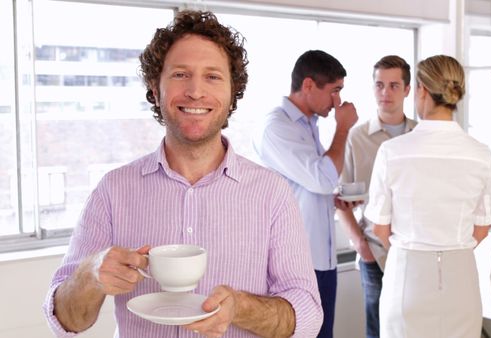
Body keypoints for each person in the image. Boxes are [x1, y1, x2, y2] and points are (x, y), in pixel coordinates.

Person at [42, 10, 322, 338]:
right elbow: (65, 321)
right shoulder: (113, 190)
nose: (195, 91)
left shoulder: (271, 192)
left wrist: (239, 307)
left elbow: (307, 317)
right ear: (154, 86)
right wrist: (90, 274)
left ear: (233, 91)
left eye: (213, 77)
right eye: (180, 75)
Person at [364, 55, 491, 338]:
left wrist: (413, 252)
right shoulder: (480, 154)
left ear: (421, 90)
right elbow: (483, 227)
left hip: (407, 276)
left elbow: (379, 226)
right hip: (461, 276)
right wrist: (449, 246)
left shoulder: (393, 152)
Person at [253, 50, 358, 338]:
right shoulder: (276, 127)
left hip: (323, 261)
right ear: (309, 85)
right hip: (297, 266)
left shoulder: (309, 125)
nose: (338, 101)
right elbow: (322, 178)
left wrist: (333, 200)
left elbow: (313, 186)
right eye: (334, 91)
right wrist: (343, 128)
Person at [335, 55, 417, 338]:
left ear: (407, 90)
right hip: (375, 255)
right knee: (377, 330)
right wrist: (361, 245)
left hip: (417, 252)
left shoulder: (421, 135)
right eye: (380, 85)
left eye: (394, 85)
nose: (386, 93)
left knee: (415, 328)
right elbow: (341, 201)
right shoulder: (356, 138)